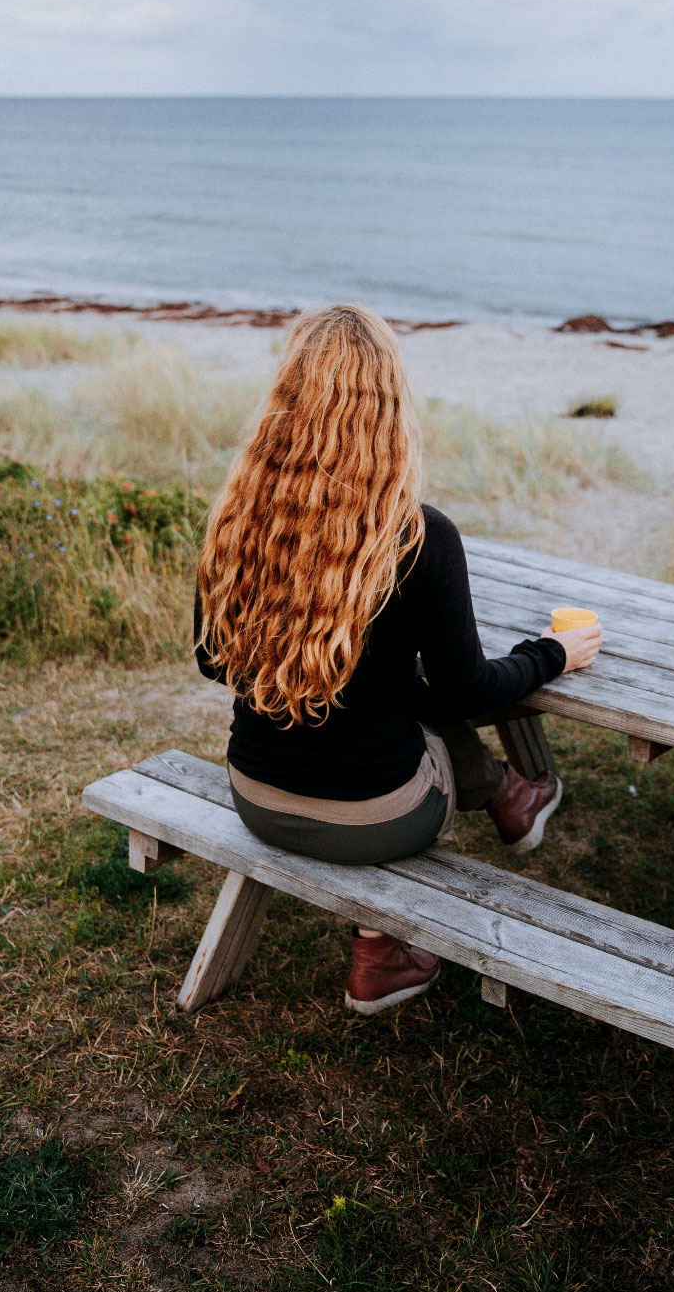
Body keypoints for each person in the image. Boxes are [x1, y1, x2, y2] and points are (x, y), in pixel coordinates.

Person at [195, 305, 602, 1015]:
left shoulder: (239, 515)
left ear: (285, 398)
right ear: (387, 405)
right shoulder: (417, 535)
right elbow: (469, 688)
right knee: (428, 712)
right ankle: (487, 816)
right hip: (374, 819)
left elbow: (211, 661)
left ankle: (503, 809)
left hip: (255, 796)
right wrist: (553, 652)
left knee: (396, 691)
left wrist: (306, 661)